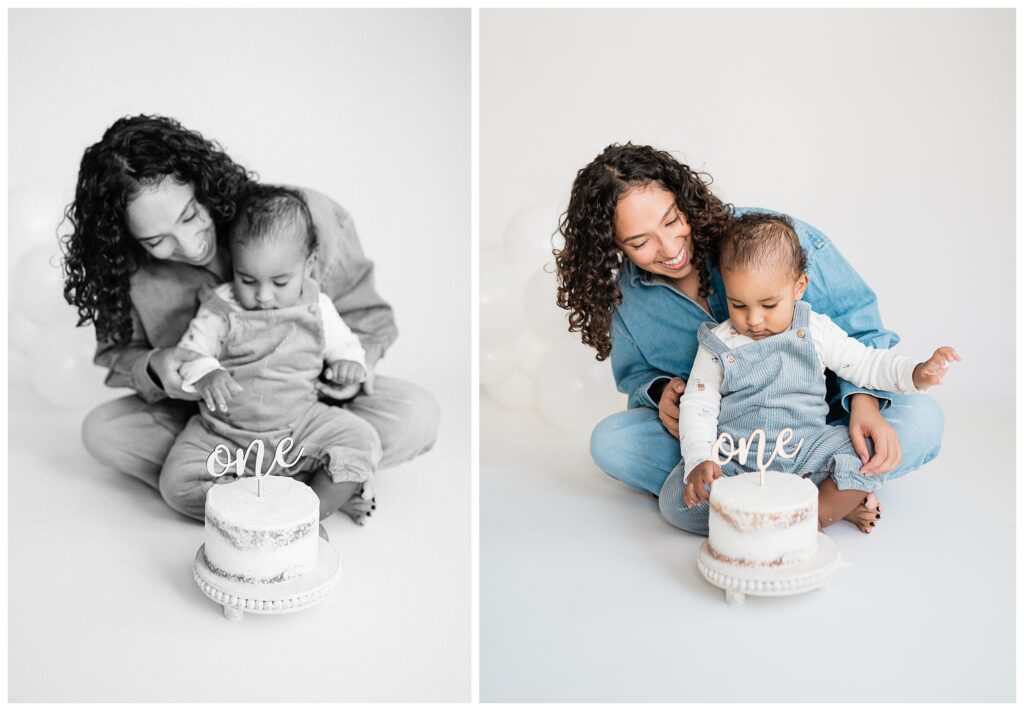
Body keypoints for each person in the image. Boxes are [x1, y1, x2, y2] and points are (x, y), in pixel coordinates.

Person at [63, 115, 438, 522]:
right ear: (128, 240)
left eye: (190, 216)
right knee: (103, 432)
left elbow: (367, 317)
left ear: (204, 183)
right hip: (213, 422)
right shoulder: (126, 272)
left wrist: (350, 369)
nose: (189, 247)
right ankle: (310, 483)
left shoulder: (306, 219)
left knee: (416, 416)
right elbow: (119, 354)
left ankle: (276, 484)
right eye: (156, 241)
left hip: (309, 406)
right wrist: (156, 365)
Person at [555, 143, 945, 528]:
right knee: (612, 442)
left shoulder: (770, 240)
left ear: (683, 201)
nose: (670, 248)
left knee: (922, 419)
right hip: (728, 439)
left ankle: (785, 501)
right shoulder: (627, 298)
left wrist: (864, 404)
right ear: (613, 247)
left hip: (820, 419)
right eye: (640, 242)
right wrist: (661, 394)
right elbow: (635, 377)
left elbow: (861, 332)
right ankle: (826, 493)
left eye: (672, 221)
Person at [657, 212, 958, 534]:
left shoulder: (815, 329)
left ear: (798, 287)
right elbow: (699, 405)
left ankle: (811, 518)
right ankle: (785, 511)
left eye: (769, 305)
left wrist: (916, 372)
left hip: (808, 450)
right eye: (738, 305)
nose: (754, 320)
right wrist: (700, 460)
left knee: (868, 453)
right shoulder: (717, 343)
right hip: (737, 456)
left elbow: (867, 364)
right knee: (675, 502)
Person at [159, 185, 382, 522]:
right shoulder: (221, 306)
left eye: (280, 282)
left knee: (362, 441)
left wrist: (350, 363)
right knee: (177, 484)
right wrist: (207, 373)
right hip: (224, 433)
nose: (263, 296)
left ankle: (308, 516)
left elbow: (345, 344)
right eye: (247, 280)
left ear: (308, 266)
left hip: (299, 427)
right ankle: (257, 511)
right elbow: (190, 352)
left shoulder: (317, 305)